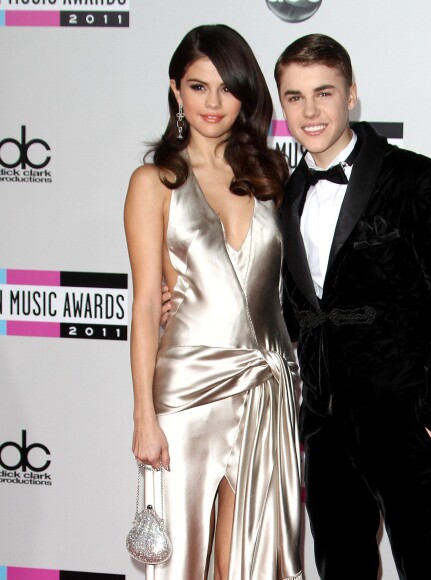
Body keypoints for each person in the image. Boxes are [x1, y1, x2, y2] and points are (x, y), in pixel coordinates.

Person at [275, 34, 431, 579]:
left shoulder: (415, 180)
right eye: (294, 97)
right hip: (326, 429)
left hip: (407, 420)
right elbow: (292, 308)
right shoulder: (288, 194)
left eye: (324, 92)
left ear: (351, 95)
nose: (310, 111)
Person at [125, 25, 303, 580]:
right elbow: (147, 302)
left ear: (246, 96)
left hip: (267, 386)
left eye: (227, 89)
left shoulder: (273, 178)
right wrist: (143, 416)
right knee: (180, 561)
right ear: (176, 90)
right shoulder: (154, 181)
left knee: (248, 561)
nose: (213, 103)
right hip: (188, 391)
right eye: (199, 87)